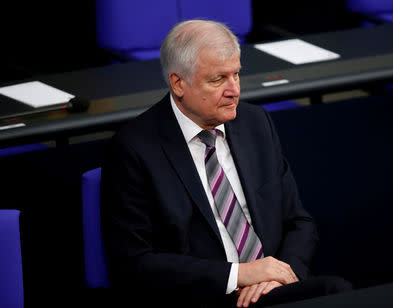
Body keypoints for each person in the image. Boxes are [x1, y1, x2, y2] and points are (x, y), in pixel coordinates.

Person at [100, 19, 351, 307]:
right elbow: (134, 263)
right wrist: (239, 274)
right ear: (178, 83)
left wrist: (278, 275)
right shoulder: (134, 148)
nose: (234, 90)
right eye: (218, 79)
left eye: (236, 75)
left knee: (336, 289)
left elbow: (299, 221)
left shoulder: (256, 123)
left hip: (269, 291)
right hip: (205, 296)